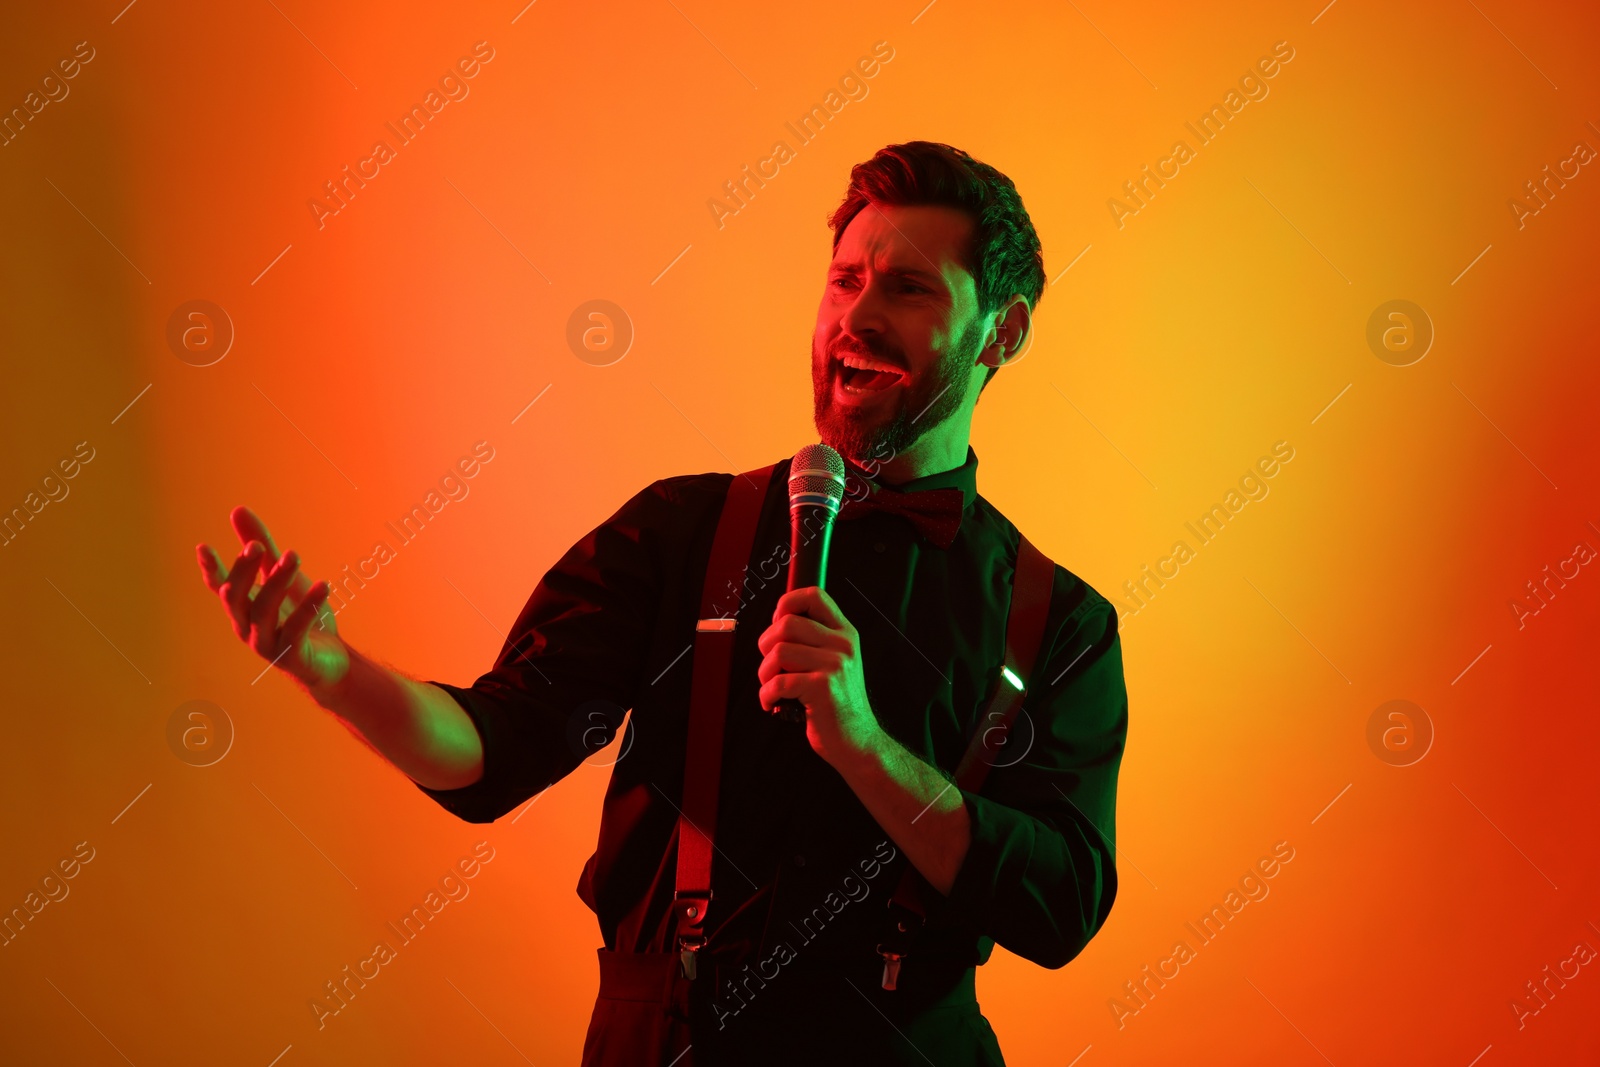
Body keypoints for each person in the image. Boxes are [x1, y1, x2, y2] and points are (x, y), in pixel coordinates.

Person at [196, 141, 1128, 1065]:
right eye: (845, 280)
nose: (858, 317)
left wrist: (864, 744)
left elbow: (1058, 907)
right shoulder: (682, 530)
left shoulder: (1058, 622)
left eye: (909, 290)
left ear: (1001, 333)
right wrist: (332, 671)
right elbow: (490, 752)